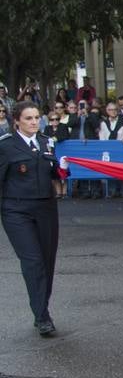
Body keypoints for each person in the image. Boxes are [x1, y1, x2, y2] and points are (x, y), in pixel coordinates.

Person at [0, 102, 67, 336]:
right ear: (16, 120)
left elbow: (54, 172)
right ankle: (42, 317)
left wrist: (63, 168)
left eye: (37, 117)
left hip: (46, 209)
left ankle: (41, 307)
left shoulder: (46, 142)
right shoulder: (6, 146)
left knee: (47, 261)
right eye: (28, 118)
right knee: (33, 261)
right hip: (16, 210)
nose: (34, 122)